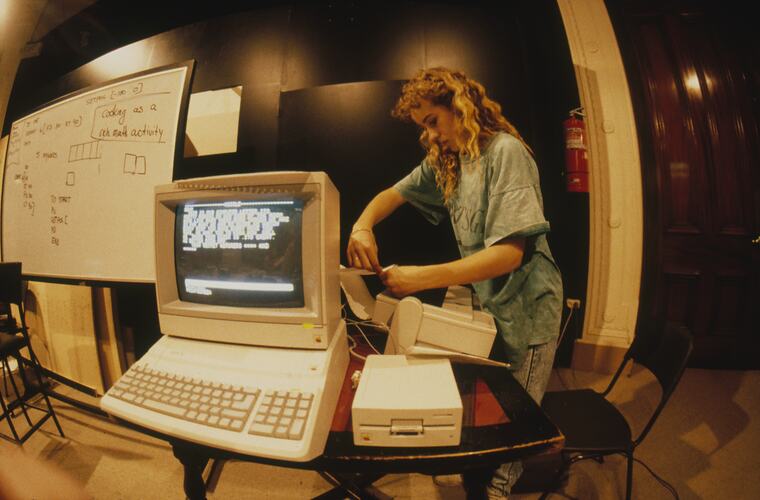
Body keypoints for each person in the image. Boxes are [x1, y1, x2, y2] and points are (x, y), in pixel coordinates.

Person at [346, 67, 563, 499]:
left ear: (459, 107)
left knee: (516, 415)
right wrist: (362, 226)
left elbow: (510, 254)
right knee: (487, 404)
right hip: (491, 305)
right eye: (422, 127)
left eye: (433, 122)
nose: (430, 135)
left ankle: (496, 491)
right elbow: (391, 195)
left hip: (529, 308)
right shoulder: (448, 163)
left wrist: (421, 277)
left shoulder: (505, 153)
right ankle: (478, 477)